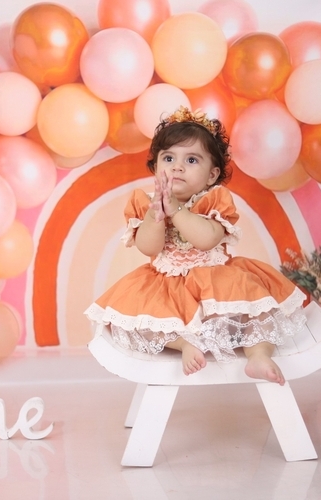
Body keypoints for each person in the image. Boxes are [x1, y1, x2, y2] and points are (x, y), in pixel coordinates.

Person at [84, 106, 307, 386]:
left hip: (216, 284)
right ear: (156, 168)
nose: (177, 167)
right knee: (142, 324)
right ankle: (184, 343)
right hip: (167, 288)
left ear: (211, 175)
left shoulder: (214, 201)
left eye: (191, 160)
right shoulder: (146, 203)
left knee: (258, 314)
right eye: (168, 158)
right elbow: (149, 248)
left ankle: (258, 356)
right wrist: (155, 216)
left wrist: (176, 210)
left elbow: (206, 239)